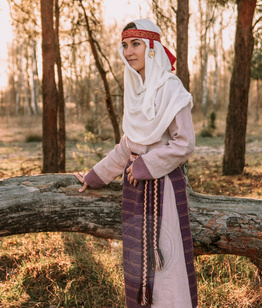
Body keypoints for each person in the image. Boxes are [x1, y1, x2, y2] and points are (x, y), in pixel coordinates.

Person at [75, 19, 198, 308]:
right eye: (125, 45)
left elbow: (185, 144)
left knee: (165, 262)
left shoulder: (171, 89)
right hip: (135, 191)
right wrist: (94, 176)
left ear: (153, 48)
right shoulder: (136, 90)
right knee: (137, 262)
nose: (128, 52)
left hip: (162, 188)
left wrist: (146, 165)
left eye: (136, 44)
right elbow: (127, 147)